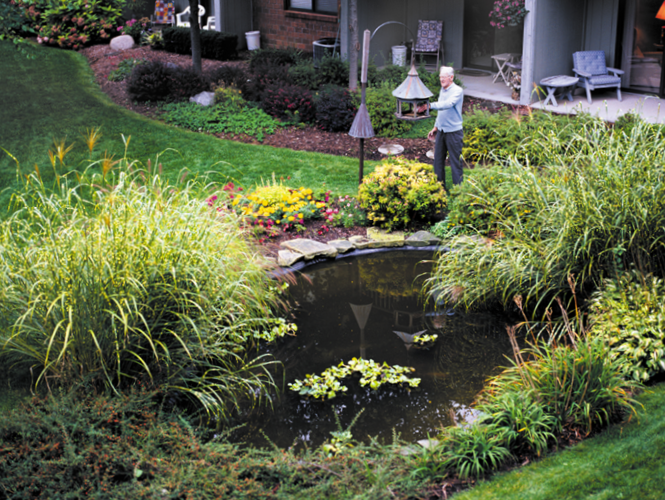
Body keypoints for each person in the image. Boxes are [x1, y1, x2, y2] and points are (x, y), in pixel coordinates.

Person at [427, 66, 464, 187]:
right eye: (440, 77)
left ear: (451, 77)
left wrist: (429, 106)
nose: (441, 79)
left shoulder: (457, 91)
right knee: (438, 161)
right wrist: (436, 127)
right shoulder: (443, 90)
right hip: (442, 131)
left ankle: (458, 192)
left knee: (455, 163)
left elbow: (448, 104)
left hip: (454, 132)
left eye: (444, 77)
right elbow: (441, 111)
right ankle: (439, 189)